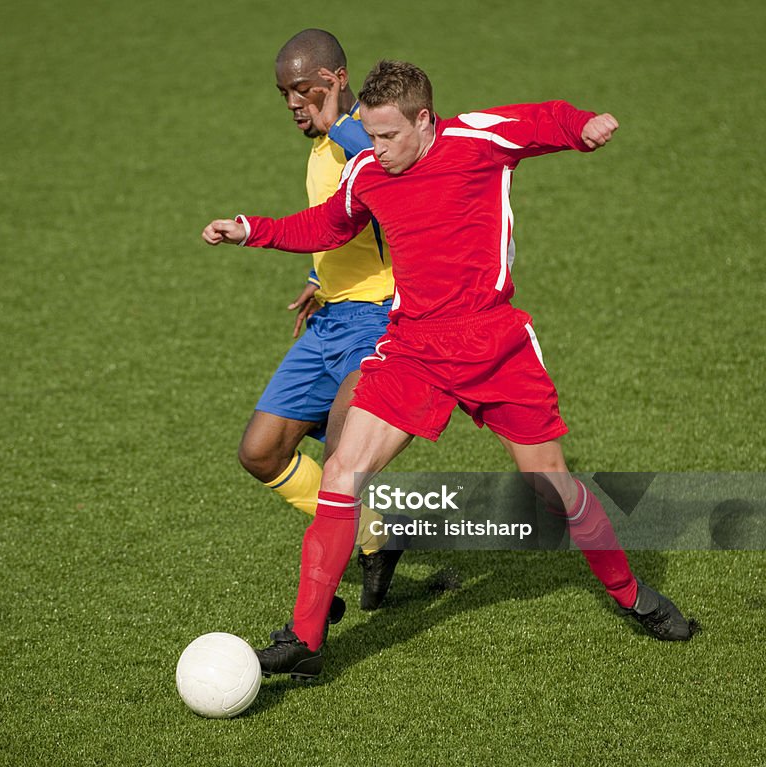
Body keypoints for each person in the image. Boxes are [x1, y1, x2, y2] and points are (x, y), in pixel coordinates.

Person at [203, 60, 697, 679]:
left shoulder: (478, 140)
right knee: (343, 474)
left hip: (493, 342)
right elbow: (325, 224)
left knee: (552, 488)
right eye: (370, 136)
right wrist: (250, 230)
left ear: (425, 120)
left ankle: (631, 594)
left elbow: (543, 119)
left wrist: (582, 127)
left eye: (387, 137)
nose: (375, 150)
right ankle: (306, 638)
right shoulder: (367, 174)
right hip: (413, 348)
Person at [240, 30, 405, 611]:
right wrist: (319, 278)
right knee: (261, 452)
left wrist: (341, 125)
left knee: (341, 457)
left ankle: (316, 604)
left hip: (381, 321)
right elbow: (340, 223)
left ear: (337, 80)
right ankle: (376, 536)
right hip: (331, 320)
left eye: (303, 90)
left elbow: (391, 192)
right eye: (284, 92)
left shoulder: (371, 139)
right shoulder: (322, 144)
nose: (292, 104)